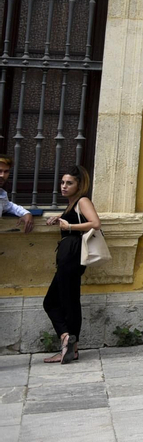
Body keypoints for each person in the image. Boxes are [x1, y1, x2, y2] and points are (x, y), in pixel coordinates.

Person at [42, 165, 98, 364]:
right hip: (69, 257)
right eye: (63, 182)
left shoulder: (82, 200)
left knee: (54, 302)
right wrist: (59, 219)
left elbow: (95, 223)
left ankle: (67, 338)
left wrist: (70, 225)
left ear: (79, 185)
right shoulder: (72, 203)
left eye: (69, 183)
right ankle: (71, 348)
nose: (64, 186)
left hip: (72, 256)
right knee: (68, 301)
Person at [0, 155, 36, 233]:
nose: (2, 175)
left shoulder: (1, 195)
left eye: (6, 171)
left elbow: (9, 206)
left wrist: (26, 213)